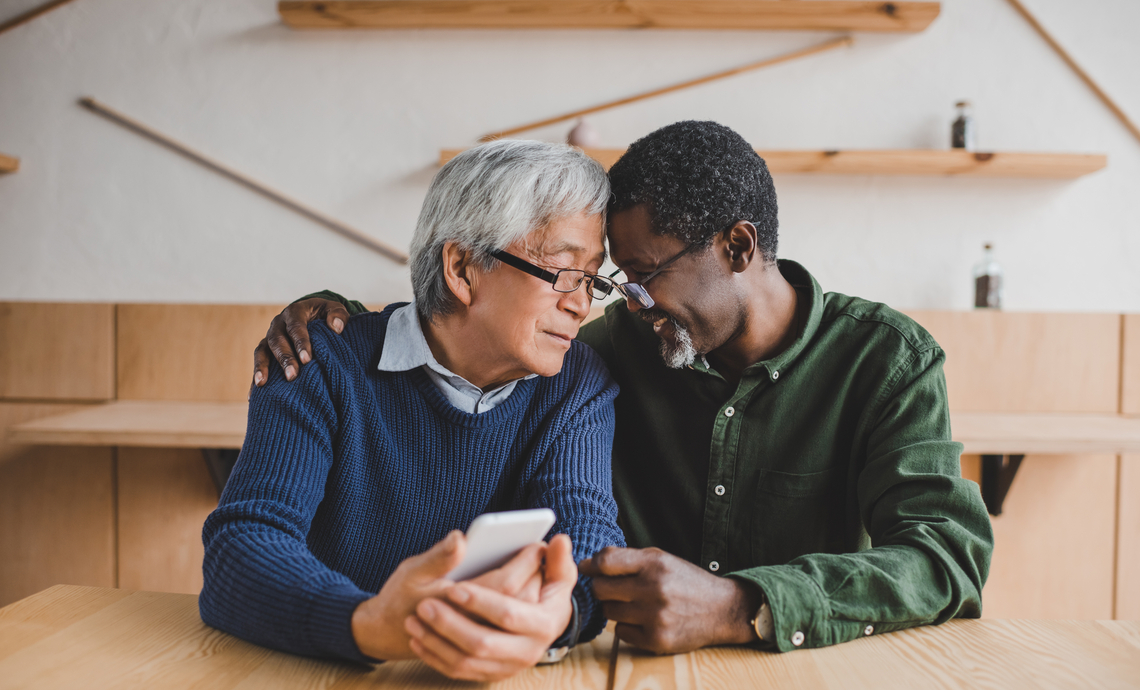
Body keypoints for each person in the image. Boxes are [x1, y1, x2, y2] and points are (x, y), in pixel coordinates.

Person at [253, 121, 993, 659]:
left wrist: (744, 605)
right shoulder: (605, 350)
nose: (615, 302)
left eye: (638, 276)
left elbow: (947, 558)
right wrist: (328, 319)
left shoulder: (884, 360)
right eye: (609, 280)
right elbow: (450, 323)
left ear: (738, 248)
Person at [201, 139, 625, 682]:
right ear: (462, 268)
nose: (580, 303)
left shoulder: (576, 383)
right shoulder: (320, 361)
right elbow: (243, 547)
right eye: (563, 272)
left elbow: (589, 541)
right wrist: (370, 623)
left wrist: (558, 617)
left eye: (590, 278)